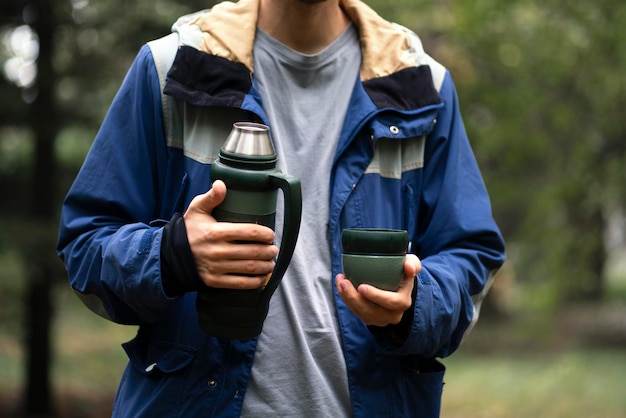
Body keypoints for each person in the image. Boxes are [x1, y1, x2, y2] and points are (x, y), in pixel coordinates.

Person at [56, 0, 506, 416]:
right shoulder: (173, 68)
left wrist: (414, 305)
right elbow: (85, 244)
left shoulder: (419, 85)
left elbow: (470, 257)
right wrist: (172, 254)